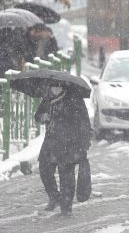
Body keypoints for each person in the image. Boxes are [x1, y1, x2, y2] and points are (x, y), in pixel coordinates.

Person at [35, 84, 92, 216]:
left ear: (63, 87)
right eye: (53, 87)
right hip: (50, 142)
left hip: (70, 143)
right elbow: (37, 116)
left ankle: (66, 207)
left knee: (66, 175)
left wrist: (84, 143)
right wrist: (43, 117)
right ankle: (55, 197)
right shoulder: (47, 99)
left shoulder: (74, 99)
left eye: (58, 87)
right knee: (44, 169)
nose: (55, 89)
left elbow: (84, 121)